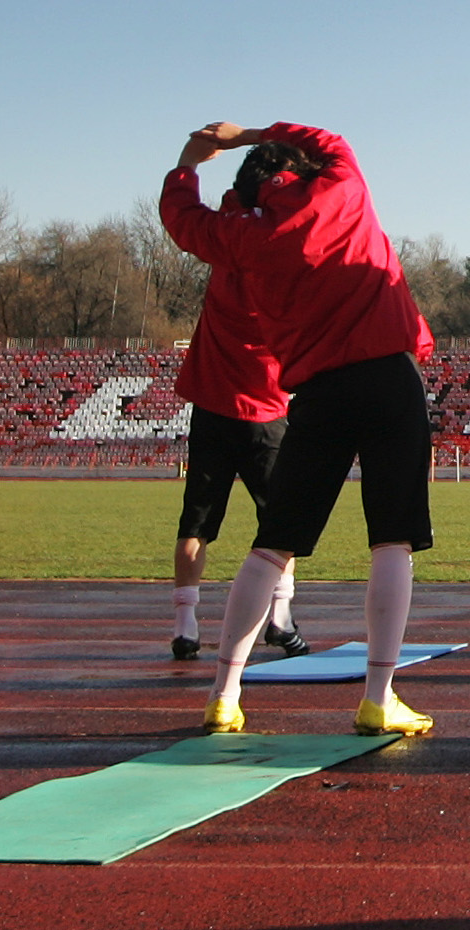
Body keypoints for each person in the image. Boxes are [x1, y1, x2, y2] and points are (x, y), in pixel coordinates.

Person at [161, 121, 436, 740]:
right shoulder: (340, 186)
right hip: (389, 376)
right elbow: (329, 138)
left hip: (315, 394)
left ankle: (224, 693)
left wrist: (189, 161)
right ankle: (378, 696)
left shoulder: (246, 235)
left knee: (272, 544)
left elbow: (182, 219)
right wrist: (250, 132)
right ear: (303, 170)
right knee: (392, 540)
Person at [166, 168, 300, 662]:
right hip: (265, 409)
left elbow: (206, 216)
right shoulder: (283, 259)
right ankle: (280, 618)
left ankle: (185, 624)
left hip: (213, 406)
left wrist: (193, 163)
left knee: (196, 524)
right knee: (282, 525)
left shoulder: (226, 247)